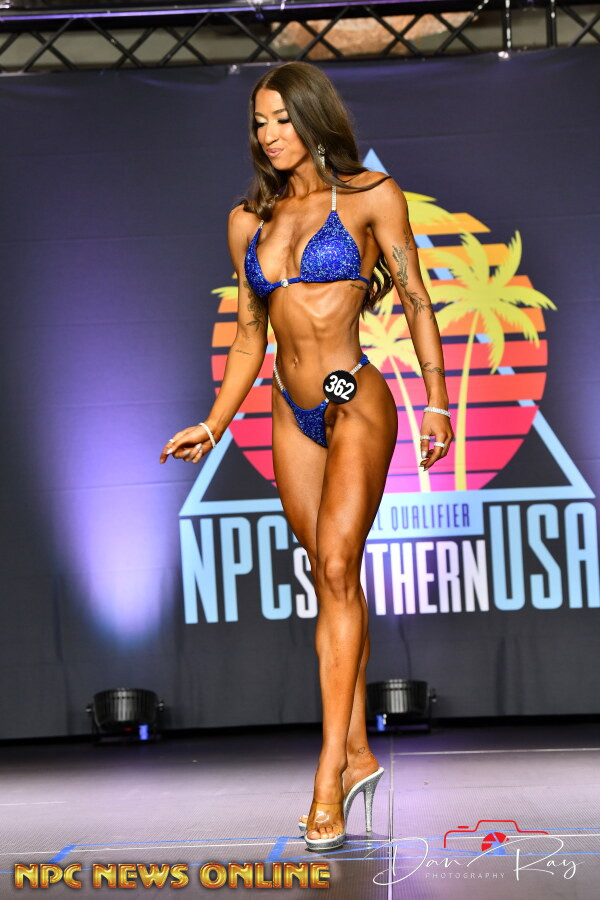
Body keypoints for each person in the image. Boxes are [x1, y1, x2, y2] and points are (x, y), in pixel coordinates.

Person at [159, 61, 453, 851]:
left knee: (337, 567)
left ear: (313, 118)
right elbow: (249, 337)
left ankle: (328, 777)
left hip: (355, 396)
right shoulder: (246, 221)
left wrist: (437, 401)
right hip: (288, 414)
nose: (269, 134)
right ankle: (356, 753)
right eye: (259, 123)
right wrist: (213, 423)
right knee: (331, 582)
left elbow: (415, 297)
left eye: (282, 119)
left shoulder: (369, 197)